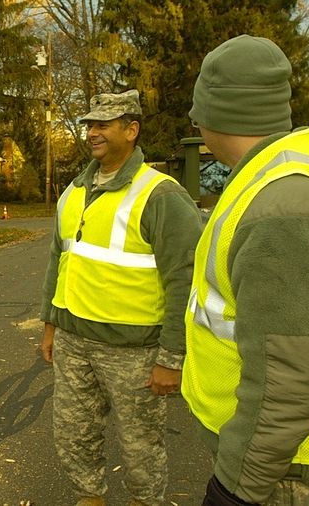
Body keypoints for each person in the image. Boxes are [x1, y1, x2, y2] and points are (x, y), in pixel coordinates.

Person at [182, 35, 309, 505]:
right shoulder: (287, 175)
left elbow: (290, 379)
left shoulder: (283, 208)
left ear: (212, 114)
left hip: (296, 472)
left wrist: (237, 488)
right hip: (288, 457)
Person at [40, 89, 203, 506]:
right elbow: (59, 261)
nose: (93, 132)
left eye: (103, 124)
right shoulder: (74, 191)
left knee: (140, 446)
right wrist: (50, 325)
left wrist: (172, 357)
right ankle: (88, 497)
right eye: (89, 125)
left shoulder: (161, 195)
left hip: (135, 350)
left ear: (131, 130)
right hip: (74, 342)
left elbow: (184, 280)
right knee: (74, 433)